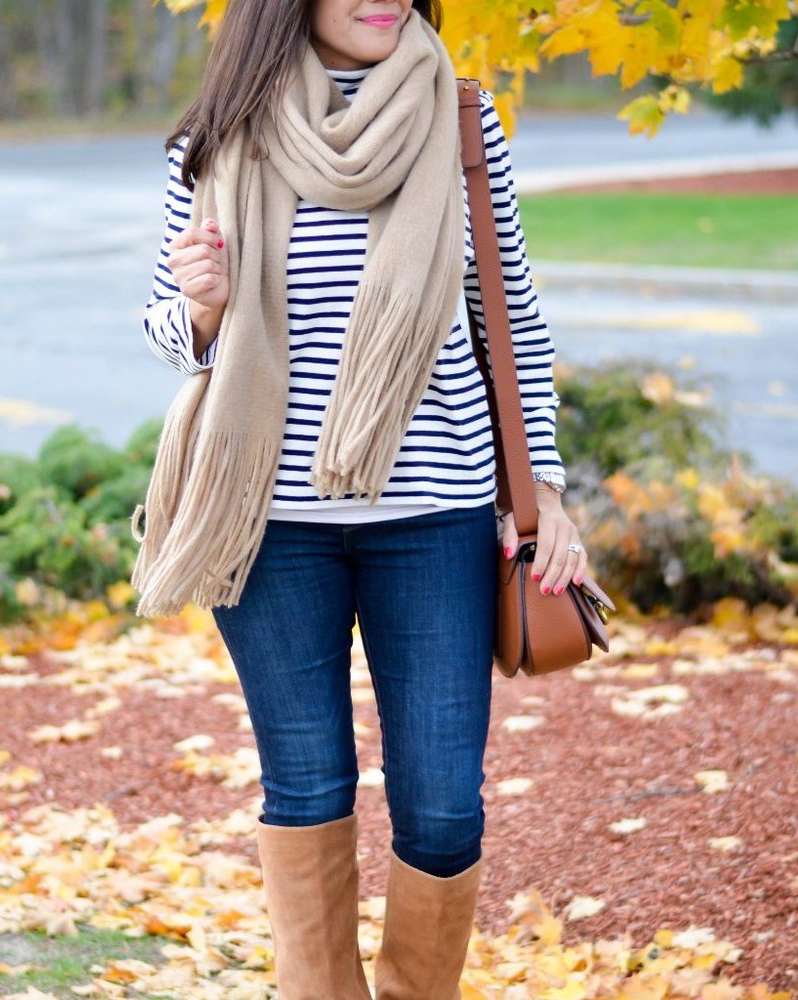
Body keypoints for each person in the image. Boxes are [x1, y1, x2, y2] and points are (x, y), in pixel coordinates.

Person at [134, 0, 588, 996]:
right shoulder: (215, 138)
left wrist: (542, 491)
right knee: (306, 790)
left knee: (441, 808)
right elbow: (170, 335)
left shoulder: (463, 122)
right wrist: (201, 307)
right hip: (267, 524)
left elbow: (509, 309)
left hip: (435, 520)